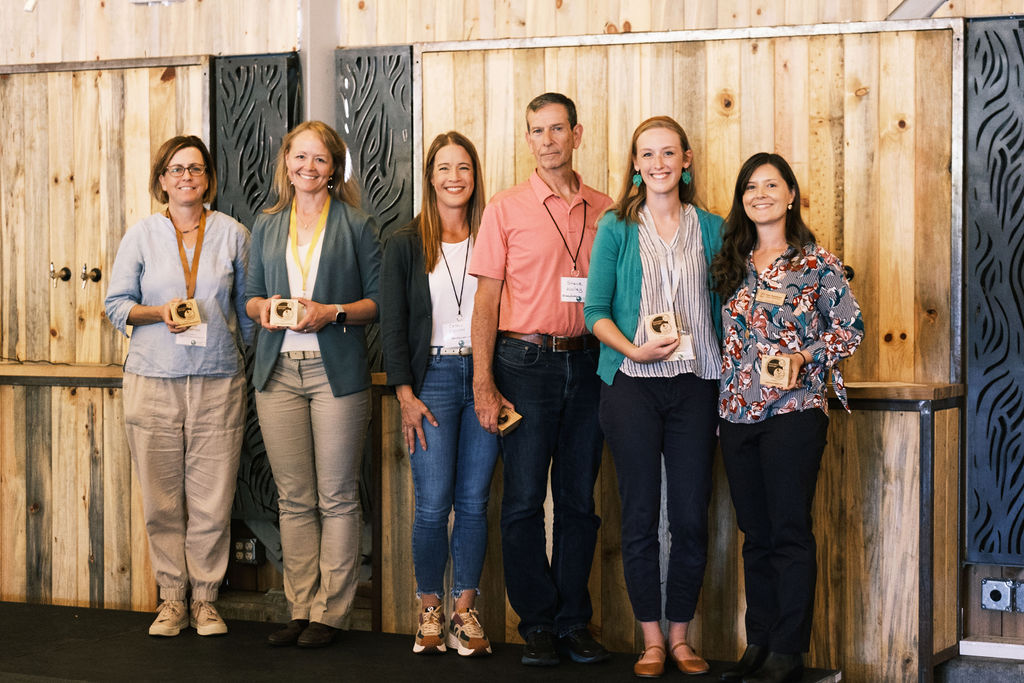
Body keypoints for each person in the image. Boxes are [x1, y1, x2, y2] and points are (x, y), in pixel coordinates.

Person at [470, 92, 614, 667]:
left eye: (558, 129)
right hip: (523, 365)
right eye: (537, 130)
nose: (548, 140)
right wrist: (484, 382)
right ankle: (537, 624)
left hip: (591, 364)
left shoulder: (609, 210)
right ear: (527, 139)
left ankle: (574, 620)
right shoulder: (504, 209)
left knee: (580, 500)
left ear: (577, 134)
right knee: (525, 499)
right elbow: (486, 301)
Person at [710, 153, 863, 683]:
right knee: (755, 532)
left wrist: (806, 356)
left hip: (794, 410)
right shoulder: (731, 260)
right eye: (750, 187)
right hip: (736, 411)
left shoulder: (817, 263)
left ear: (791, 193)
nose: (760, 195)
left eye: (771, 185)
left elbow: (851, 330)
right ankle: (760, 640)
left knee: (789, 528)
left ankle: (789, 648)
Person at [584, 116, 722, 678]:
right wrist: (634, 352)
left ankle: (682, 637)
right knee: (639, 517)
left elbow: (731, 308)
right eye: (648, 154)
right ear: (635, 164)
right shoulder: (616, 228)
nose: (658, 163)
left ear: (686, 160)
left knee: (690, 517)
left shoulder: (713, 228)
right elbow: (594, 312)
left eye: (669, 153)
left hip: (696, 387)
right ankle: (651, 641)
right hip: (631, 389)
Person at [104, 135, 252, 638]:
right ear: (161, 179)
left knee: (213, 498)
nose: (186, 176)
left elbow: (247, 316)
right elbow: (117, 305)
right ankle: (172, 599)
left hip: (217, 382)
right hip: (152, 380)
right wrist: (157, 312)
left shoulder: (234, 234)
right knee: (162, 500)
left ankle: (206, 600)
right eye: (175, 169)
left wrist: (247, 359)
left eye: (195, 168)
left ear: (208, 178)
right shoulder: (141, 235)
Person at [245, 121, 381, 649]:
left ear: (334, 167)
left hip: (335, 374)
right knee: (294, 498)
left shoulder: (356, 224)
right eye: (299, 157)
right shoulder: (267, 224)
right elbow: (252, 296)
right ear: (286, 163)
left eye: (320, 159)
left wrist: (332, 312)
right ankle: (299, 608)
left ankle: (331, 613)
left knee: (338, 497)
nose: (308, 167)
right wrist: (263, 310)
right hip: (276, 373)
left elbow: (376, 302)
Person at [380, 131, 498, 657]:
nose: (455, 177)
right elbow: (392, 324)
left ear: (475, 176)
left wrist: (494, 381)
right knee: (431, 506)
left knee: (473, 504)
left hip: (485, 378)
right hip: (430, 382)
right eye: (444, 168)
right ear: (430, 176)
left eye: (464, 168)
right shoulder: (406, 242)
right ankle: (428, 610)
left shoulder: (493, 235)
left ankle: (463, 613)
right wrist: (404, 393)